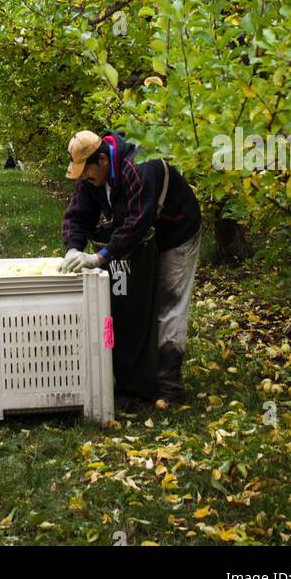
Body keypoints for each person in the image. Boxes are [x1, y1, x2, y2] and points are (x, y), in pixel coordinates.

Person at [60, 129, 202, 403]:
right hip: (144, 234)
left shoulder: (139, 167)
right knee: (133, 299)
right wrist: (73, 248)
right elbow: (79, 213)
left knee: (168, 300)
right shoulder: (92, 175)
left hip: (176, 230)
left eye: (86, 172)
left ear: (102, 160)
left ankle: (169, 384)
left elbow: (137, 221)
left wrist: (101, 256)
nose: (85, 179)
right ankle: (135, 375)